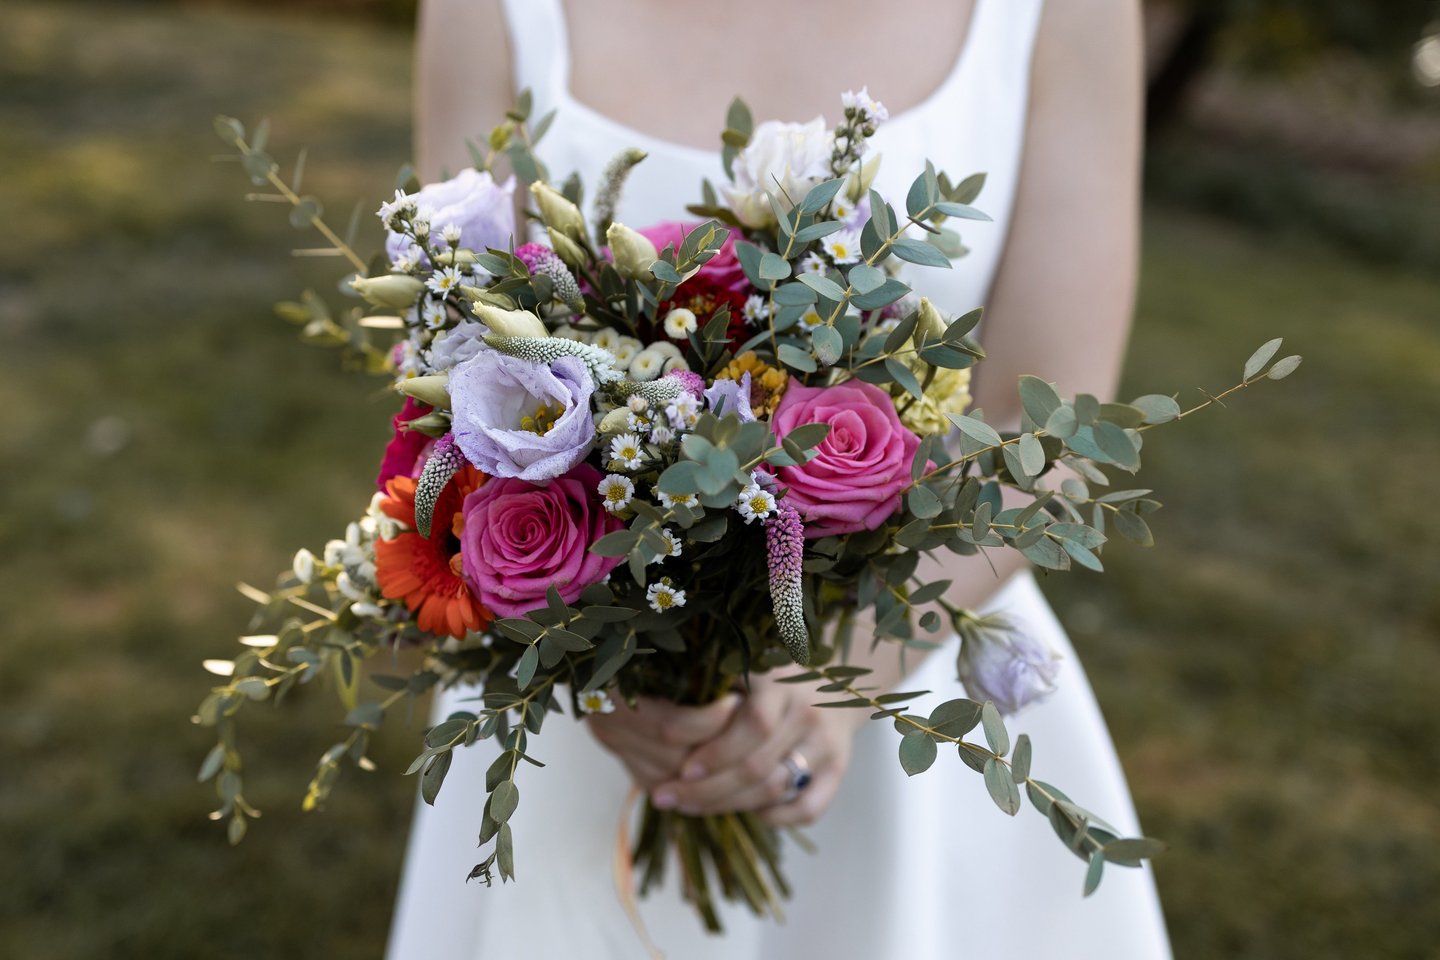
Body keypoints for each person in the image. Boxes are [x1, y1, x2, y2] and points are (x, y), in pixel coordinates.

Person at [388, 0, 1174, 956]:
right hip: (582, 698)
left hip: (903, 670)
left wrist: (835, 682)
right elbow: (454, 359)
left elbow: (1050, 429)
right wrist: (599, 664)